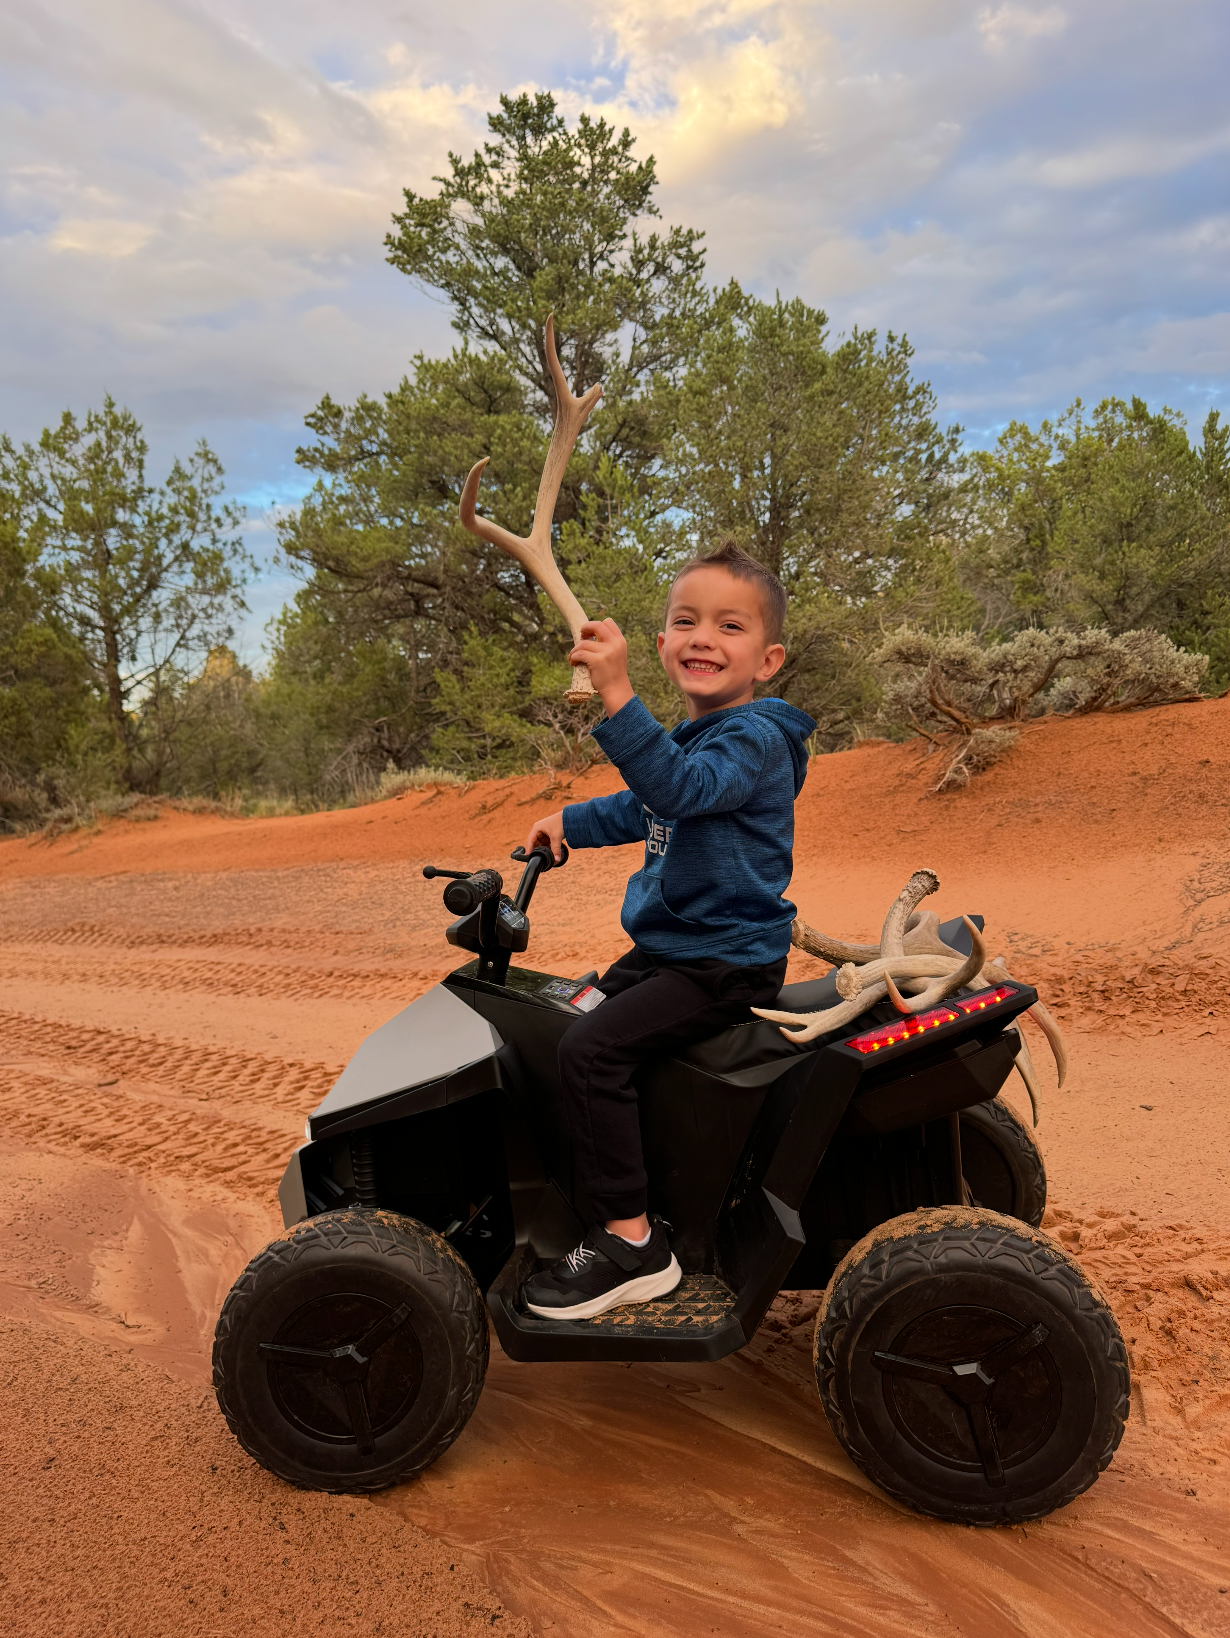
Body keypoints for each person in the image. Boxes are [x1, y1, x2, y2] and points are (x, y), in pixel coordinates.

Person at [520, 540, 816, 1320]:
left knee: (590, 1051)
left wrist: (615, 694)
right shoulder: (694, 737)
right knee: (570, 1014)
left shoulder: (754, 740)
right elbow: (644, 800)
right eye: (685, 621)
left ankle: (632, 1243)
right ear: (662, 644)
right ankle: (632, 1180)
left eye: (729, 626)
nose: (703, 638)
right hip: (670, 952)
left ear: (768, 659)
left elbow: (678, 790)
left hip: (722, 964)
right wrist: (569, 822)